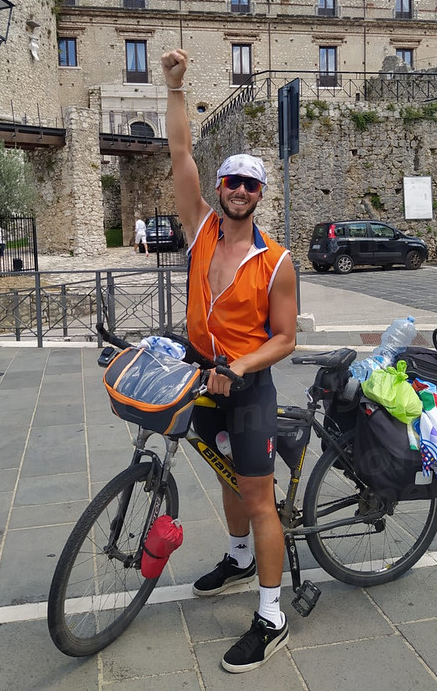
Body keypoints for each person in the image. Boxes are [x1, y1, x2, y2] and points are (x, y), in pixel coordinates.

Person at [161, 48, 297, 673]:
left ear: (260, 194)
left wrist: (242, 367)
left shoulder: (276, 261)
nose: (239, 190)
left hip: (245, 385)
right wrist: (175, 88)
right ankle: (239, 558)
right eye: (231, 181)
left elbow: (285, 339)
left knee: (258, 494)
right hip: (201, 372)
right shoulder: (202, 231)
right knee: (225, 477)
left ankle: (271, 617)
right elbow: (181, 155)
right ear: (219, 189)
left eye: (250, 183)